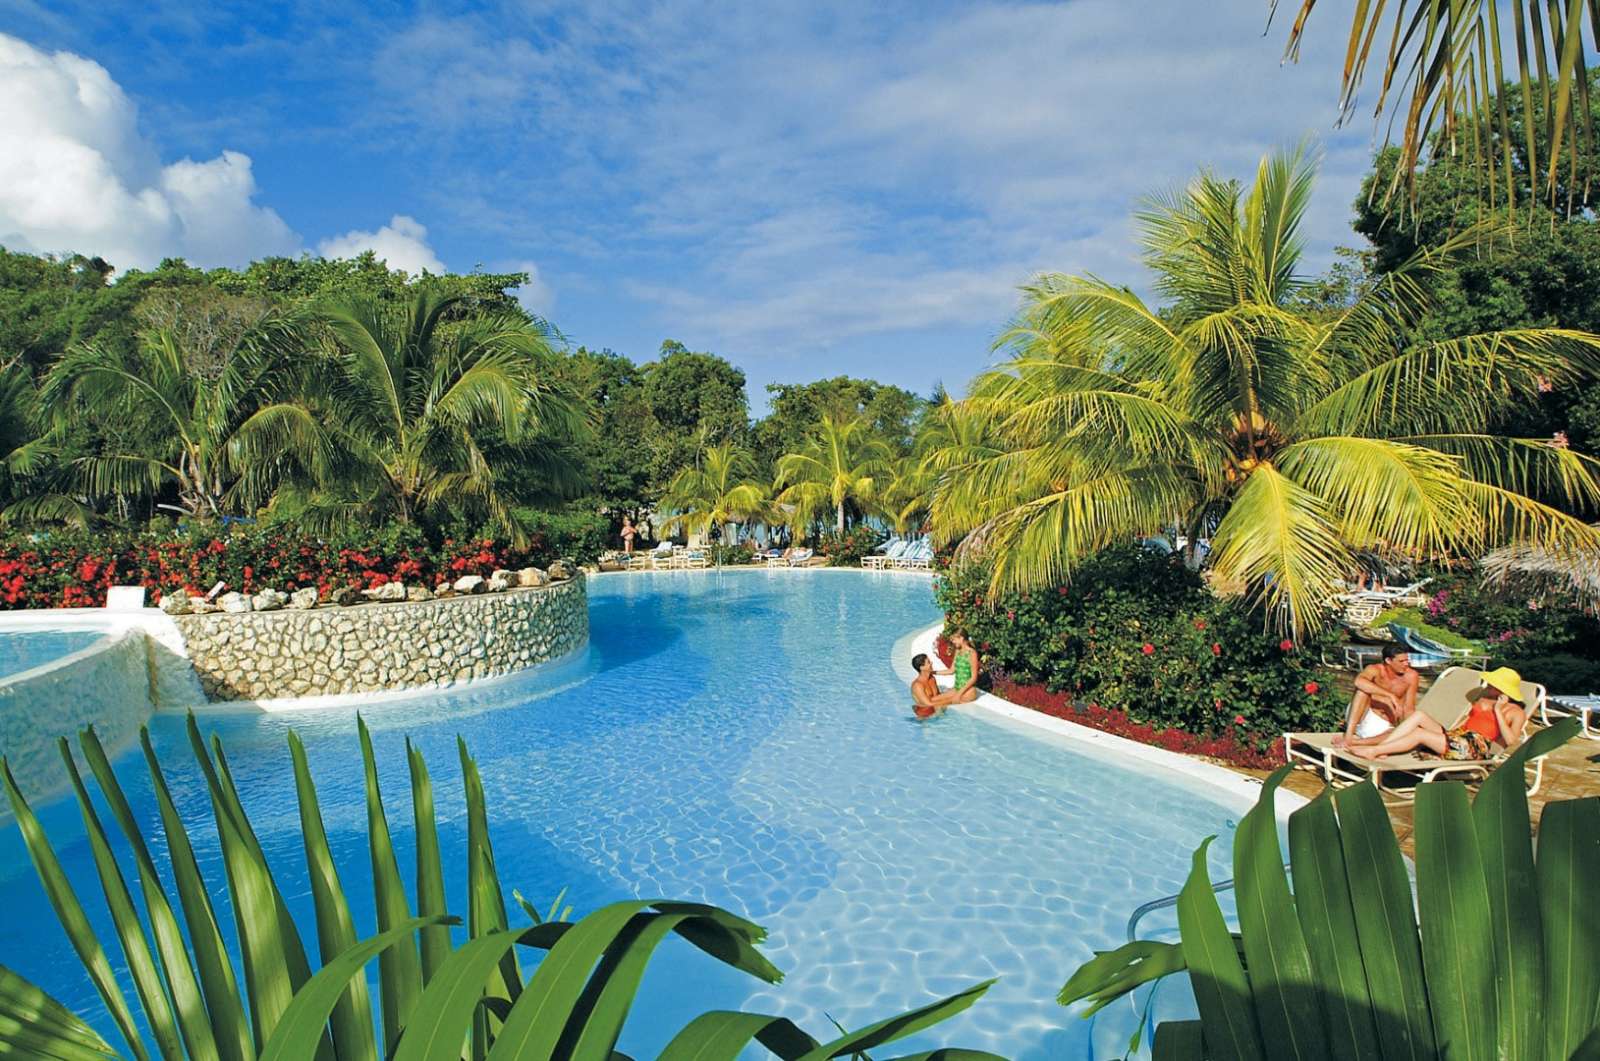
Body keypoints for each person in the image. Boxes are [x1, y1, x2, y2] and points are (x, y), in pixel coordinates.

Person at [1346, 667, 1528, 761]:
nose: (1488, 685)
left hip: (1475, 746)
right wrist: (1446, 734)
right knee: (1419, 716)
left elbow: (1511, 741)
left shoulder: (1515, 712)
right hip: (1458, 737)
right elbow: (1466, 721)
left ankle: (1375, 751)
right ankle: (1384, 748)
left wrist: (1498, 711)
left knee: (1419, 734)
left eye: (1492, 684)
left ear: (1502, 690)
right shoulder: (1482, 699)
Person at [1336, 644, 1419, 745]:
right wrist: (1390, 696)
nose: (1406, 664)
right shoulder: (1375, 669)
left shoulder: (1411, 676)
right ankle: (1349, 736)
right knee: (1362, 691)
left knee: (1399, 733)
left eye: (1407, 660)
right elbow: (1358, 682)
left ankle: (1357, 742)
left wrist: (1406, 726)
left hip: (1382, 726)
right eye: (1401, 661)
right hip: (1360, 717)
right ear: (1388, 661)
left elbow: (1409, 707)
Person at [910, 653, 963, 719]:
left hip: (936, 711)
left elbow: (938, 696)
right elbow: (928, 704)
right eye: (928, 662)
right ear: (922, 667)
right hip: (925, 717)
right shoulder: (917, 685)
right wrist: (951, 701)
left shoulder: (932, 678)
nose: (931, 663)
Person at [936, 630, 981, 706]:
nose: (953, 642)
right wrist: (934, 672)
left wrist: (959, 694)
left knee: (940, 704)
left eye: (954, 639)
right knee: (933, 700)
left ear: (961, 638)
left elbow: (974, 678)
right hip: (957, 688)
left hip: (968, 691)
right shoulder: (958, 651)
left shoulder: (972, 653)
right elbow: (951, 670)